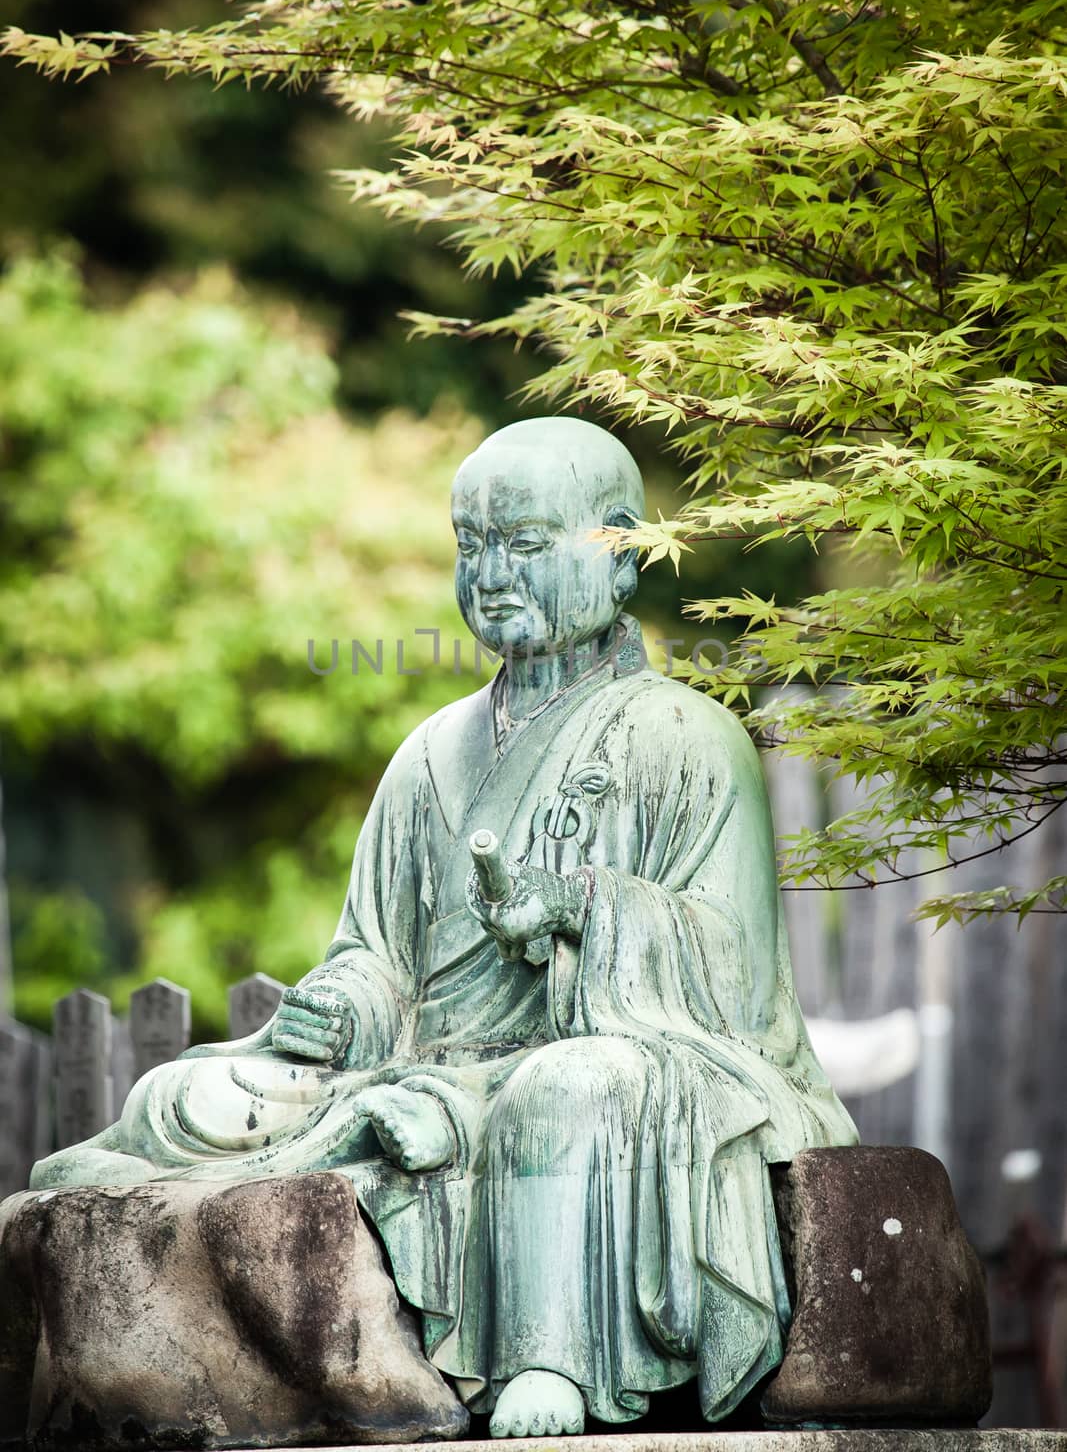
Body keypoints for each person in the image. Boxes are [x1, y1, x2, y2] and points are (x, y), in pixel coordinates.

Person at [31, 417, 856, 1437]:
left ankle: (551, 1358)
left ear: (616, 557)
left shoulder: (687, 737)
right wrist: (344, 1004)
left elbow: (734, 980)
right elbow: (379, 956)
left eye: (523, 545)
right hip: (428, 1063)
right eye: (471, 546)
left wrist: (581, 906)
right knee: (180, 1090)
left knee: (569, 1087)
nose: (490, 574)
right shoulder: (426, 755)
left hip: (619, 1057)